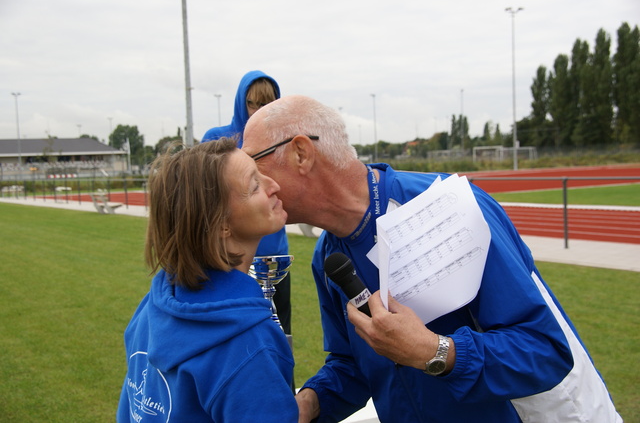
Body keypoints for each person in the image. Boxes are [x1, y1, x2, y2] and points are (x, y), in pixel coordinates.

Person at [241, 95, 622, 423]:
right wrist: (309, 403)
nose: (248, 180)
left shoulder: (448, 205)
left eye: (252, 162)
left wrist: (433, 351)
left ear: (301, 153)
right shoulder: (328, 256)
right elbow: (355, 366)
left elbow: (545, 352)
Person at [116, 139, 298, 422]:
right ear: (221, 224)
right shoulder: (248, 345)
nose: (273, 184)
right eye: (254, 186)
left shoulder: (152, 307)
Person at [202, 70, 292, 337]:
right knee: (233, 331)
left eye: (267, 104)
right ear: (241, 102)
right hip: (230, 254)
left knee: (280, 329)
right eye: (253, 103)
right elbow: (208, 198)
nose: (259, 110)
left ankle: (282, 380)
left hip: (274, 252)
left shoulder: (284, 142)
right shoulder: (217, 139)